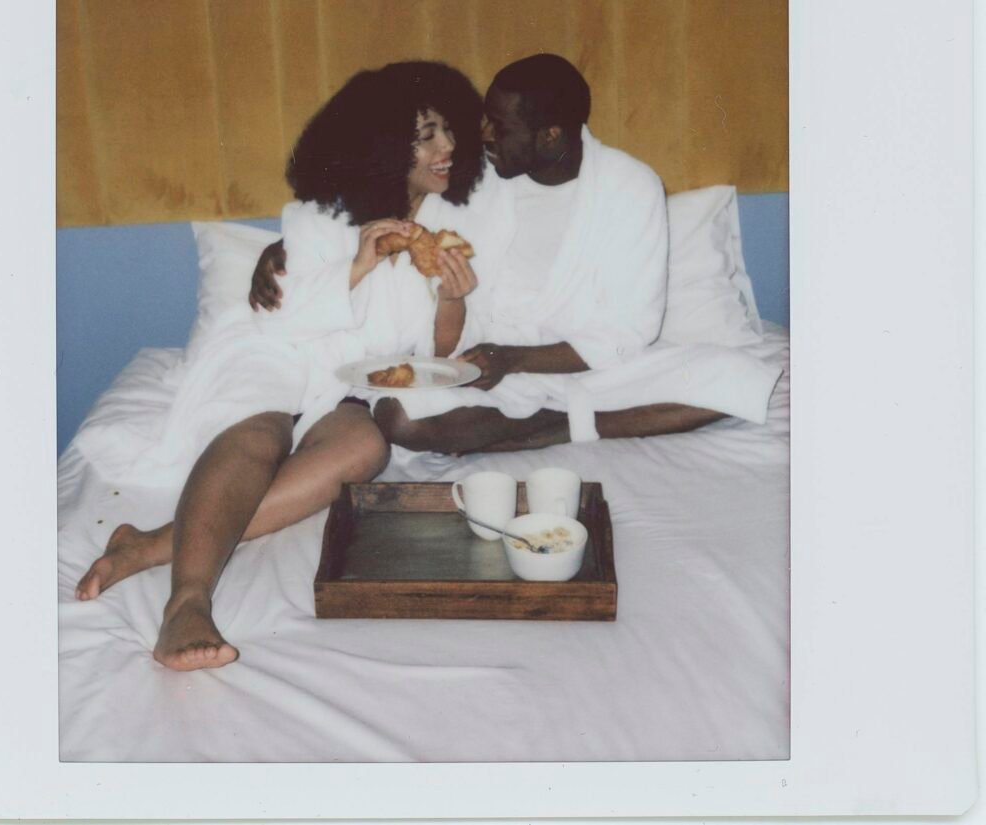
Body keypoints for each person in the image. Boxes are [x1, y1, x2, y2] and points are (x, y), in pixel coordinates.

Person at [74, 61, 485, 672]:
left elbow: (436, 353)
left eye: (449, 131)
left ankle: (148, 545)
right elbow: (284, 318)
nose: (446, 147)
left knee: (364, 451)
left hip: (347, 384)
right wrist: (358, 264)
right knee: (261, 433)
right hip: (270, 350)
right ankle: (187, 602)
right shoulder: (319, 216)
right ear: (383, 141)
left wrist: (453, 297)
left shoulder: (451, 224)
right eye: (426, 133)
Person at [251, 54, 782, 456]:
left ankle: (563, 424)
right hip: (480, 367)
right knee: (399, 417)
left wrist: (518, 359)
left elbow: (631, 329)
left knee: (733, 375)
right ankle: (580, 421)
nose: (478, 137)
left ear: (551, 136)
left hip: (584, 365)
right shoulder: (482, 179)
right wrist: (285, 245)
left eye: (499, 128)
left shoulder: (629, 187)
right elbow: (388, 203)